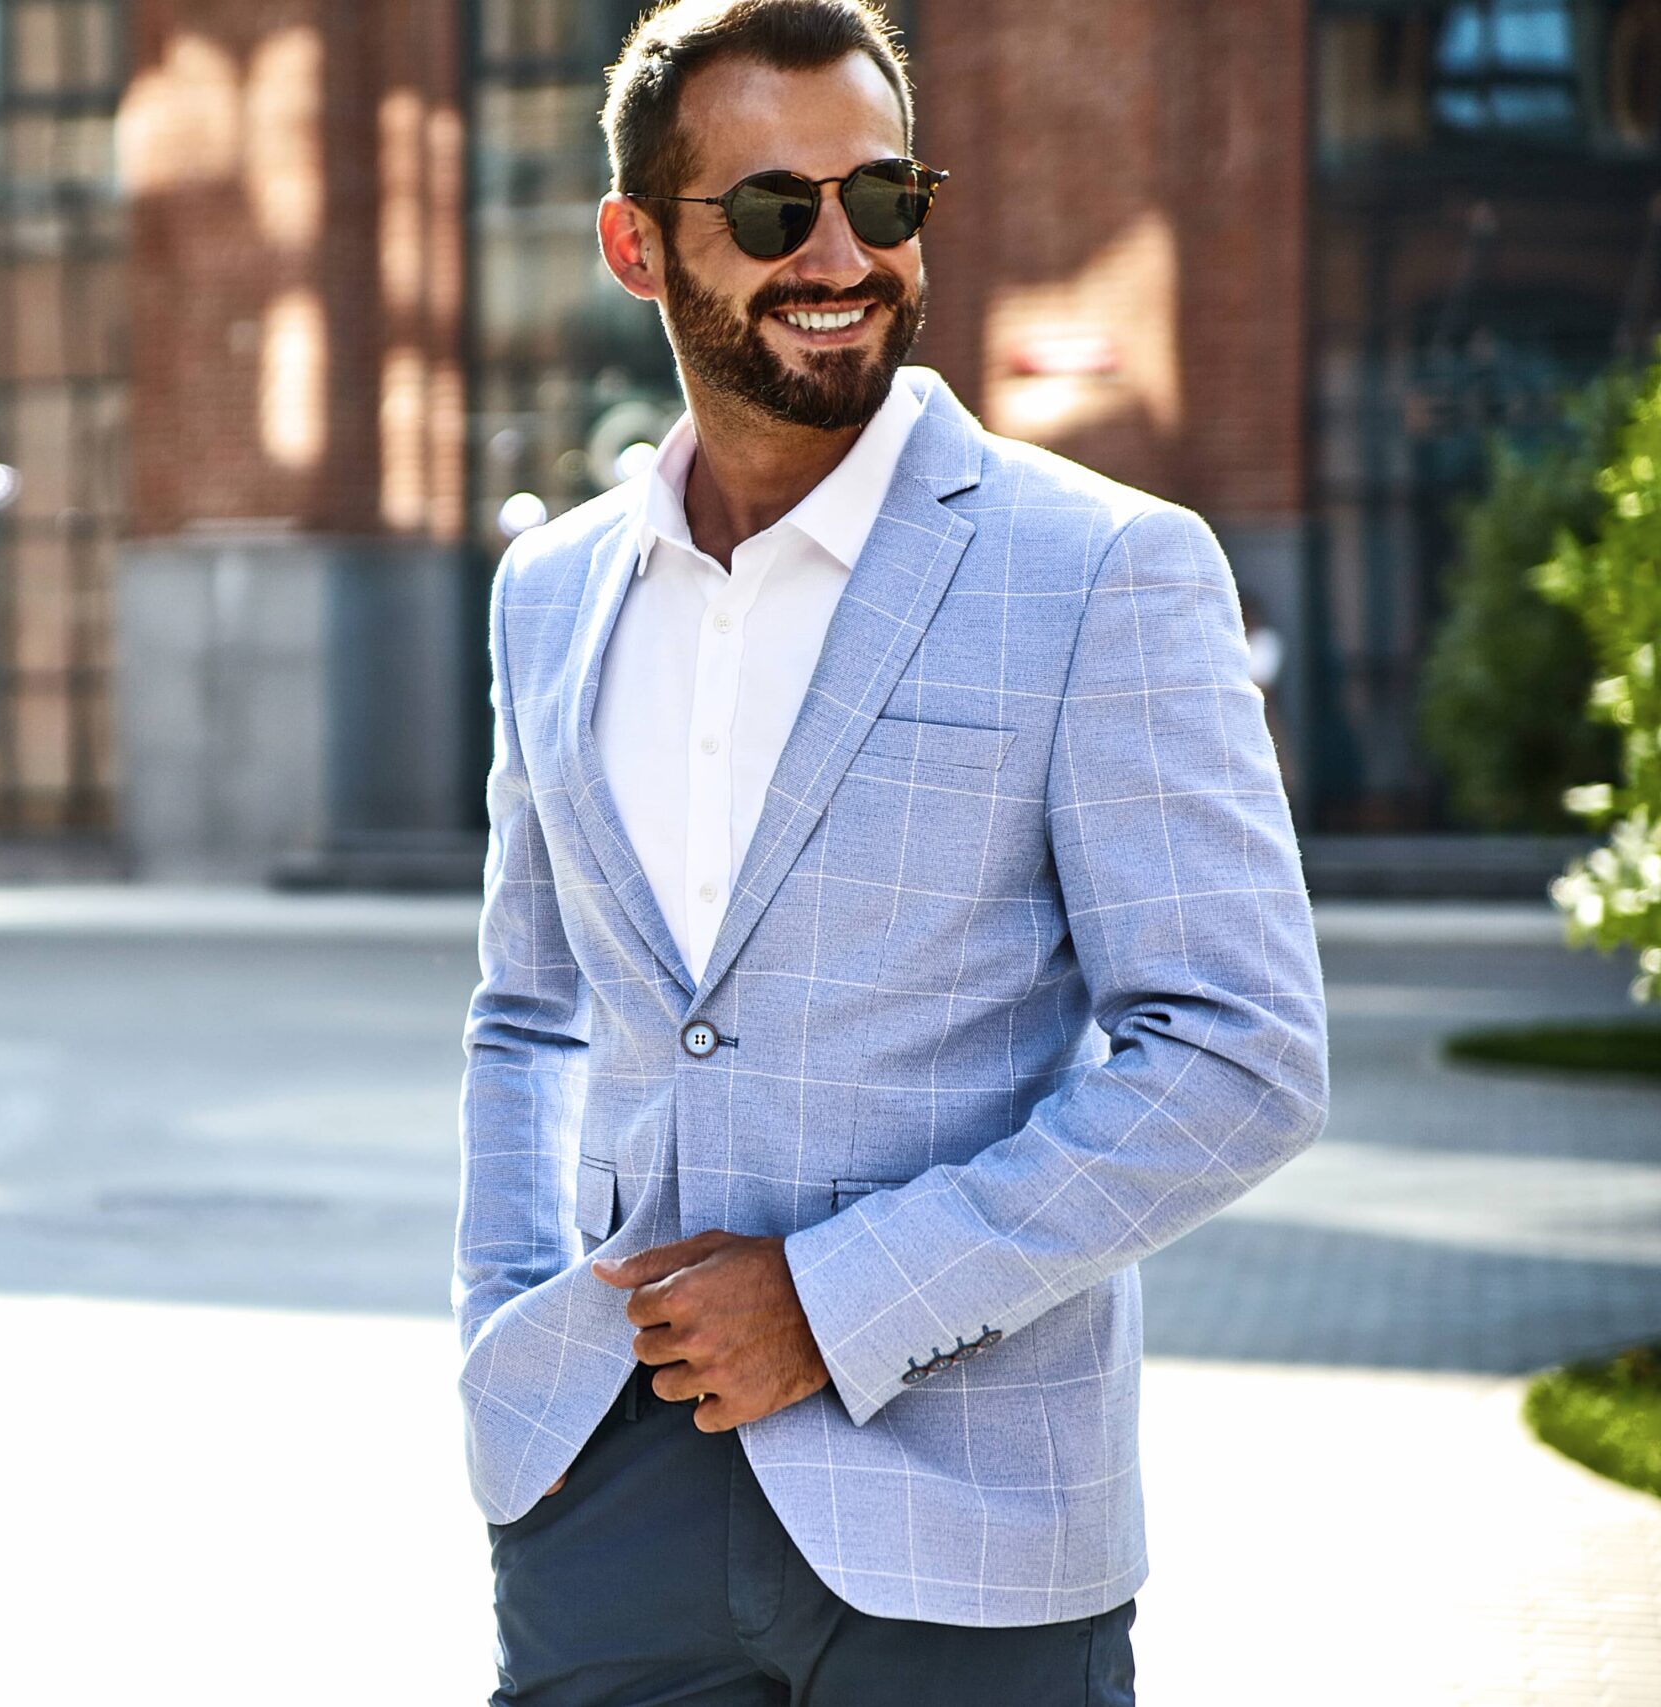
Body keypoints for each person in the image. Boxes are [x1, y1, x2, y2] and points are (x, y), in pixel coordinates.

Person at [452, 6, 1329, 1703]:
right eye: (778, 209)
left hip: (973, 1529)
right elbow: (529, 1009)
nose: (842, 255)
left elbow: (1241, 1053)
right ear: (638, 244)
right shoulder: (547, 594)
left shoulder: (1100, 570)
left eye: (886, 194)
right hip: (605, 1506)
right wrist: (508, 1345)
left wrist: (839, 1299)